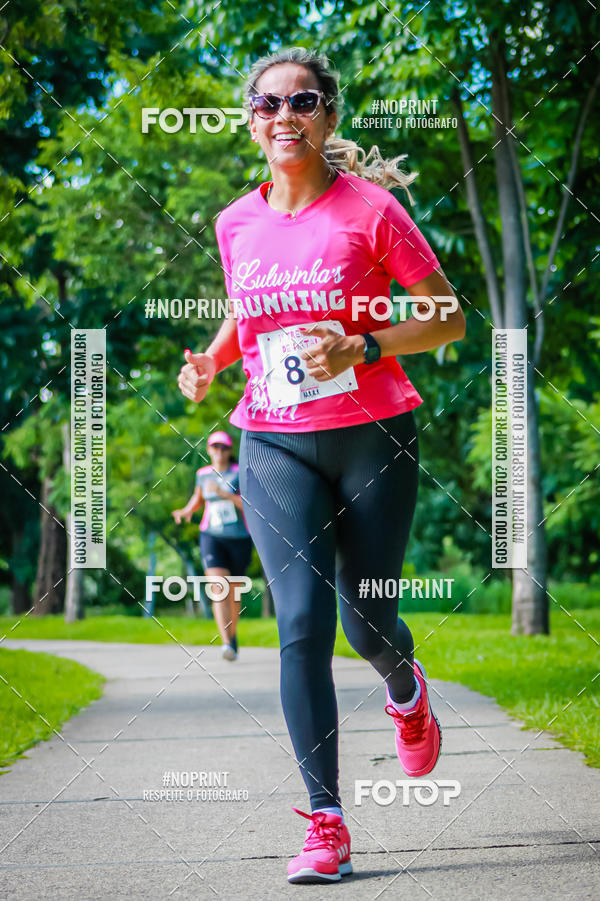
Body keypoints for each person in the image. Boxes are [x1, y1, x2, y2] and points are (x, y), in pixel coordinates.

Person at [177, 47, 466, 885]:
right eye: (268, 104)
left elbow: (447, 317)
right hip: (271, 439)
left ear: (328, 116)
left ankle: (406, 691)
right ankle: (326, 821)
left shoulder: (372, 211)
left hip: (374, 433)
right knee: (299, 623)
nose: (285, 116)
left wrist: (366, 344)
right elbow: (248, 307)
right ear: (251, 123)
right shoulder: (235, 222)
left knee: (365, 624)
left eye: (302, 101)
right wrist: (213, 362)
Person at [172, 430, 252, 661]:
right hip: (211, 536)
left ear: (230, 450)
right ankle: (226, 642)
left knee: (234, 593)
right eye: (215, 447)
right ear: (208, 450)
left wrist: (224, 494)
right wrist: (186, 511)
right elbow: (198, 498)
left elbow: (249, 504)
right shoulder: (203, 474)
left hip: (239, 538)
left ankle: (232, 635)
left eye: (223, 447)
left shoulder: (239, 472)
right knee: (219, 588)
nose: (219, 451)